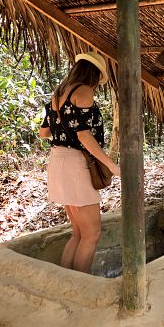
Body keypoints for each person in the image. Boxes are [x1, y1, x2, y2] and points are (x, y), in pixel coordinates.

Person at [39, 52, 120, 273]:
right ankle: (79, 284)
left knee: (78, 233)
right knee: (91, 234)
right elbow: (84, 136)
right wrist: (111, 165)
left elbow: (43, 132)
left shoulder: (58, 94)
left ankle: (65, 282)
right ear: (93, 74)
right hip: (75, 163)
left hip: (57, 161)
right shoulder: (84, 91)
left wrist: (63, 130)